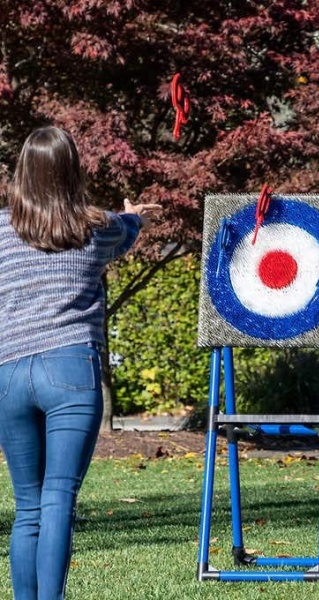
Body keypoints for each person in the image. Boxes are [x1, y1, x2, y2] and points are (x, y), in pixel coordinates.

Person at [0, 126, 161, 600]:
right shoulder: (95, 227)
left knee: (28, 506)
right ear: (72, 171)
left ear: (20, 174)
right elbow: (128, 230)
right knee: (57, 501)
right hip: (70, 369)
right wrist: (135, 218)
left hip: (7, 373)